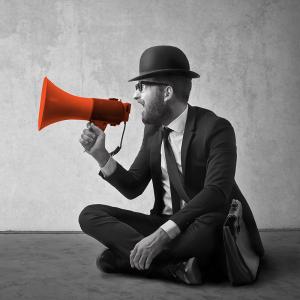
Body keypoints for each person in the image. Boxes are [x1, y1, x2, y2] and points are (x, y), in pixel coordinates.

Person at [78, 45, 264, 285]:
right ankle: (175, 266)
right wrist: (101, 156)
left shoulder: (217, 128)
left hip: (200, 226)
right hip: (164, 224)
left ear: (166, 92)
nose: (135, 96)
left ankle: (136, 258)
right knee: (90, 215)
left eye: (141, 87)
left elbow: (216, 193)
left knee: (210, 221)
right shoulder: (153, 130)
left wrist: (161, 236)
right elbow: (133, 187)